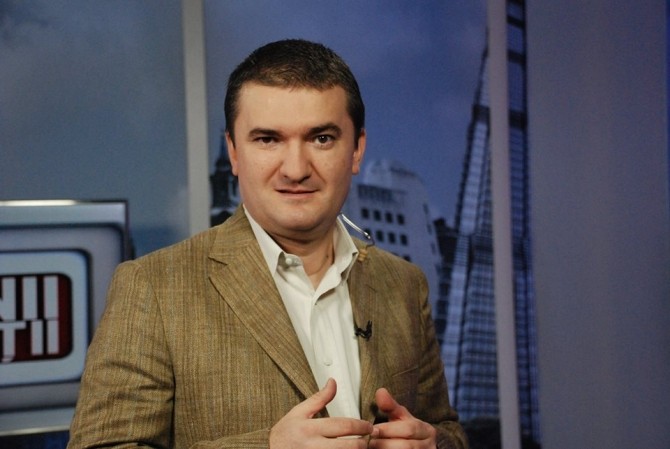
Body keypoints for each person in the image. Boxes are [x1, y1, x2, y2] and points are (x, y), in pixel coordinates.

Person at [67, 39, 468, 449]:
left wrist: (433, 444)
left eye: (321, 138)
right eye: (268, 140)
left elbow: (446, 429)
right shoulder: (153, 287)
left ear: (356, 150)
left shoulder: (405, 283)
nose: (295, 169)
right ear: (233, 152)